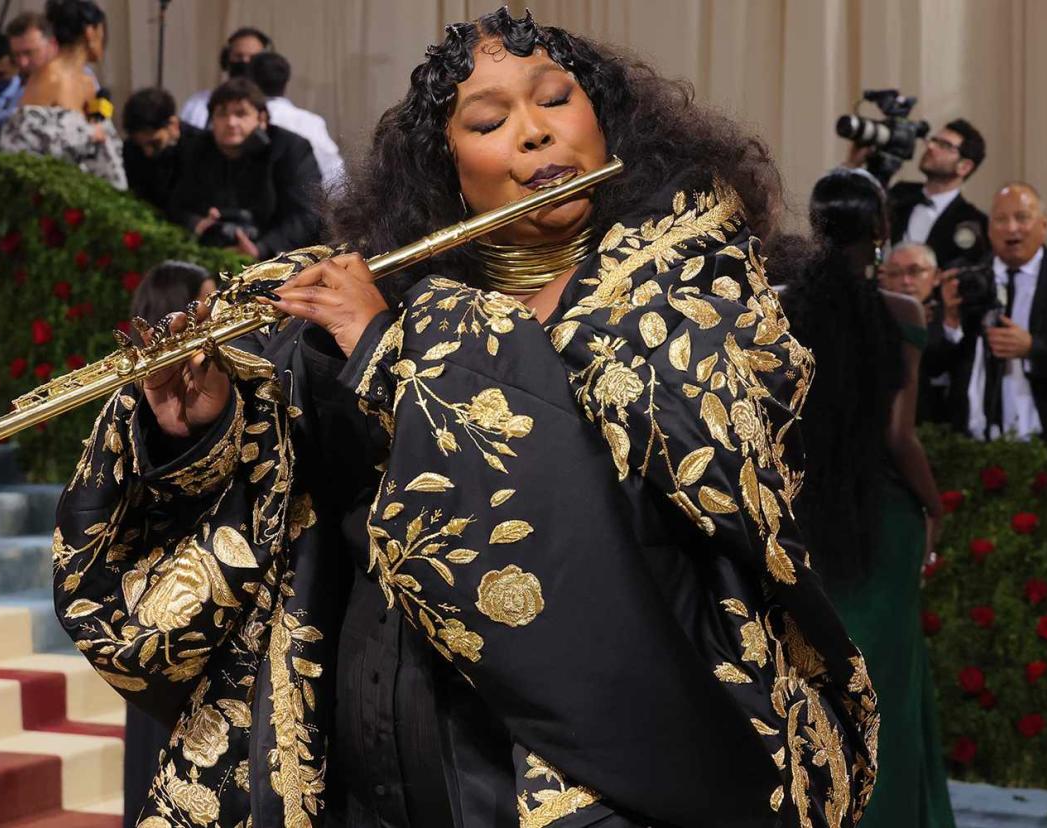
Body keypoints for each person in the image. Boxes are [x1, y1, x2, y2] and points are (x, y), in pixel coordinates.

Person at [53, 10, 877, 828]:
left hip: (576, 755)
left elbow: (601, 503)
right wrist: (203, 423)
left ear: (607, 120)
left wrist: (388, 348)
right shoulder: (406, 294)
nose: (533, 134)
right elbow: (306, 495)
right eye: (490, 119)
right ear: (446, 167)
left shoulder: (697, 296)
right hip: (368, 760)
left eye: (556, 101)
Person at [781, 168, 952, 828]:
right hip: (882, 518)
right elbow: (898, 435)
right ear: (881, 231)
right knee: (888, 683)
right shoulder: (902, 313)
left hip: (801, 515)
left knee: (809, 681)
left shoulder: (776, 304)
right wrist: (934, 506)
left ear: (817, 226)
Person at [118, 260, 217, 828]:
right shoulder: (139, 410)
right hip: (168, 625)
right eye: (202, 305)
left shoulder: (213, 392)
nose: (214, 317)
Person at [945, 183, 1047, 444]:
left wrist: (1033, 348)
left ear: (1043, 225)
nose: (1011, 228)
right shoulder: (967, 279)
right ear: (988, 230)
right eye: (1000, 219)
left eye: (1022, 218)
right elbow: (934, 363)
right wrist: (950, 322)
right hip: (970, 443)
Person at [167, 78, 323, 258]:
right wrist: (197, 224)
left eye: (241, 114)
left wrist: (261, 249)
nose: (231, 122)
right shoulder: (197, 149)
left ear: (261, 118)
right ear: (212, 120)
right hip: (210, 255)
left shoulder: (290, 148)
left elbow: (306, 215)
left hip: (276, 257)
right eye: (222, 114)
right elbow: (176, 206)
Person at [0, 0, 126, 190]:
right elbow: (20, 144)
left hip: (96, 192)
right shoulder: (48, 78)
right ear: (91, 32)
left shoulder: (89, 82)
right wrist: (87, 136)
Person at [879, 243, 964, 423]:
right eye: (895, 273)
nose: (906, 281)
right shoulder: (875, 318)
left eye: (915, 271)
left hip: (939, 422)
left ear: (936, 277)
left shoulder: (951, 314)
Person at [887, 119, 989, 268]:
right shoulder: (899, 194)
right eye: (933, 140)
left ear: (964, 167)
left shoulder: (973, 221)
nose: (930, 147)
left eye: (944, 145)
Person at [248, 51, 345, 187]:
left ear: (248, 80)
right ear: (286, 81)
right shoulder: (311, 122)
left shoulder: (237, 122)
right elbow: (335, 179)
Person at [121, 87, 200, 213]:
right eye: (141, 145)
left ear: (173, 125)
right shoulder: (131, 149)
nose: (148, 152)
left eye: (155, 143)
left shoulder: (199, 147)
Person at [178, 26, 272, 129]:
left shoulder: (277, 110)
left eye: (253, 57)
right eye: (239, 56)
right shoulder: (197, 105)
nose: (245, 62)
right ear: (226, 59)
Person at [4, 11, 58, 119]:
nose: (23, 62)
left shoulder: (75, 80)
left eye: (29, 53)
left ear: (52, 45)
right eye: (16, 55)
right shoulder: (21, 82)